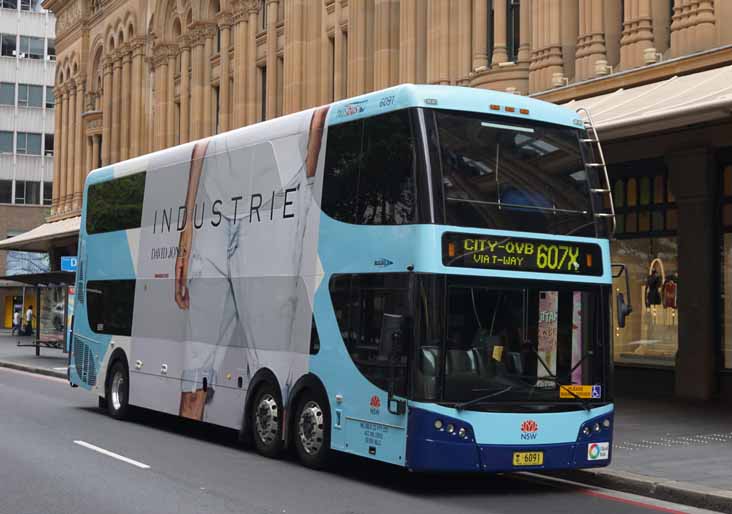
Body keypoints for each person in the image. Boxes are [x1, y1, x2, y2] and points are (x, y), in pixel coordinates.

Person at [174, 105, 331, 421]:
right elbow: (200, 145)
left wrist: (308, 172)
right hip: (213, 204)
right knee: (194, 374)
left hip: (277, 197)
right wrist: (188, 221)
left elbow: (323, 112)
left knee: (272, 368)